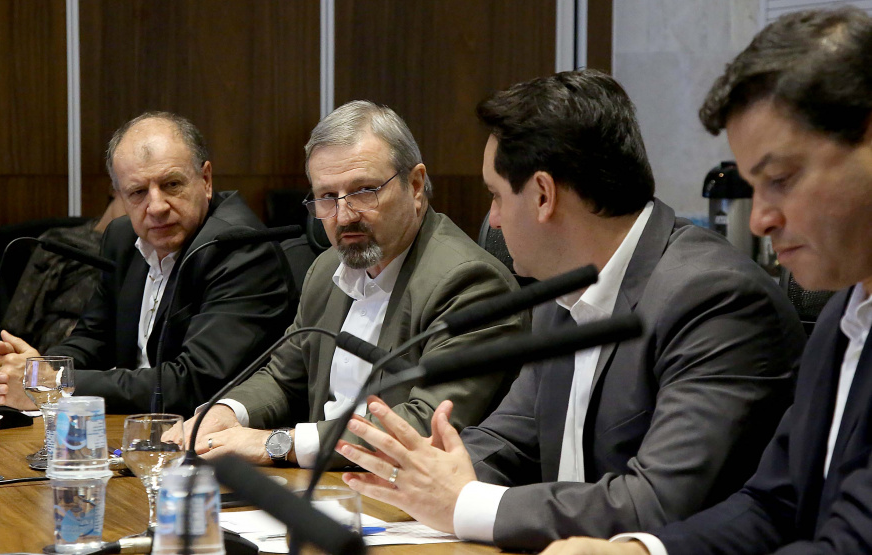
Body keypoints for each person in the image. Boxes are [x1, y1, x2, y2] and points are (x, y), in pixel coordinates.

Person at [337, 70, 806, 551]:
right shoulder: (561, 289)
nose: (492, 219)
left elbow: (657, 503)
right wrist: (425, 472)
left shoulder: (714, 300)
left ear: (543, 195)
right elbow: (512, 439)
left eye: (496, 195)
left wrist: (464, 503)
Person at [536, 7, 872, 555]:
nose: (759, 220)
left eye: (781, 179)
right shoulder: (845, 315)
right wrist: (638, 551)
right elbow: (774, 503)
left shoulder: (716, 295)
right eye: (753, 187)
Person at [174, 100, 527, 468]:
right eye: (327, 197)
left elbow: (425, 424)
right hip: (321, 482)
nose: (343, 216)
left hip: (397, 492)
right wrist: (226, 412)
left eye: (363, 191)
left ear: (415, 185)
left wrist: (278, 444)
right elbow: (283, 377)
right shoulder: (326, 269)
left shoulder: (468, 282)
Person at [0, 111, 296, 415]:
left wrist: (56, 383)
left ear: (205, 180)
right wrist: (37, 370)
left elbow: (195, 383)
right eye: (137, 192)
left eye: (172, 184)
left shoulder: (240, 247)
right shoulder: (123, 238)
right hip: (133, 423)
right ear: (120, 196)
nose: (157, 207)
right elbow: (94, 338)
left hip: (203, 430)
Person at [0, 191, 126, 352]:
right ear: (115, 188)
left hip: (115, 342)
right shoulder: (61, 242)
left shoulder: (143, 254)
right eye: (137, 192)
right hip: (56, 343)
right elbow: (20, 316)